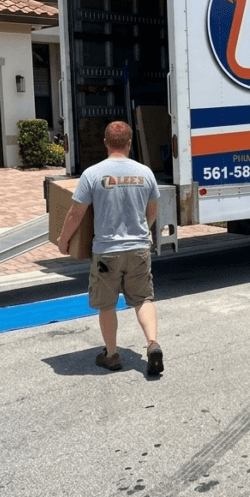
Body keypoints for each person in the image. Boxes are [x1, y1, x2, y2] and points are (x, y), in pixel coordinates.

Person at [57, 120, 164, 376]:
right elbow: (153, 210)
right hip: (138, 249)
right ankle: (152, 343)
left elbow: (75, 214)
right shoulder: (145, 173)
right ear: (129, 143)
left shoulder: (92, 174)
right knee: (142, 299)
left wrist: (63, 241)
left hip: (107, 251)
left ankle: (112, 355)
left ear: (105, 143)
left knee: (107, 304)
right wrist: (142, 230)